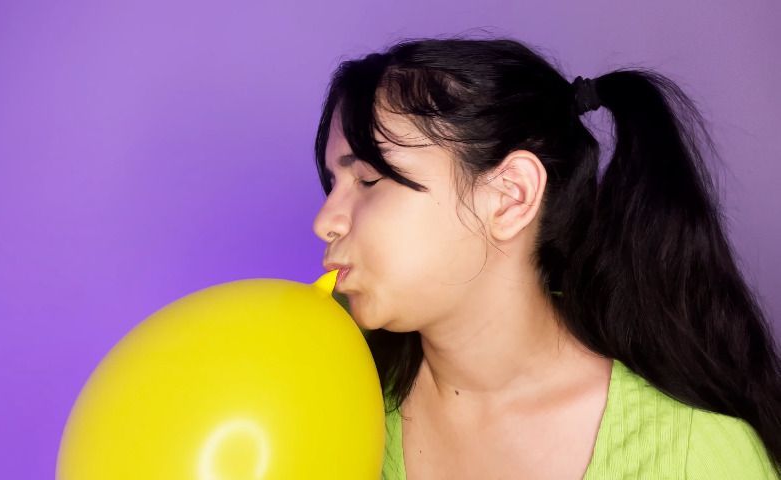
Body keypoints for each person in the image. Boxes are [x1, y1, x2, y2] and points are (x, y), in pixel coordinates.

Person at [311, 37, 781, 479]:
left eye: (369, 180)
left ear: (511, 196)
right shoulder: (332, 407)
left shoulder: (694, 457)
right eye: (332, 185)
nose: (325, 221)